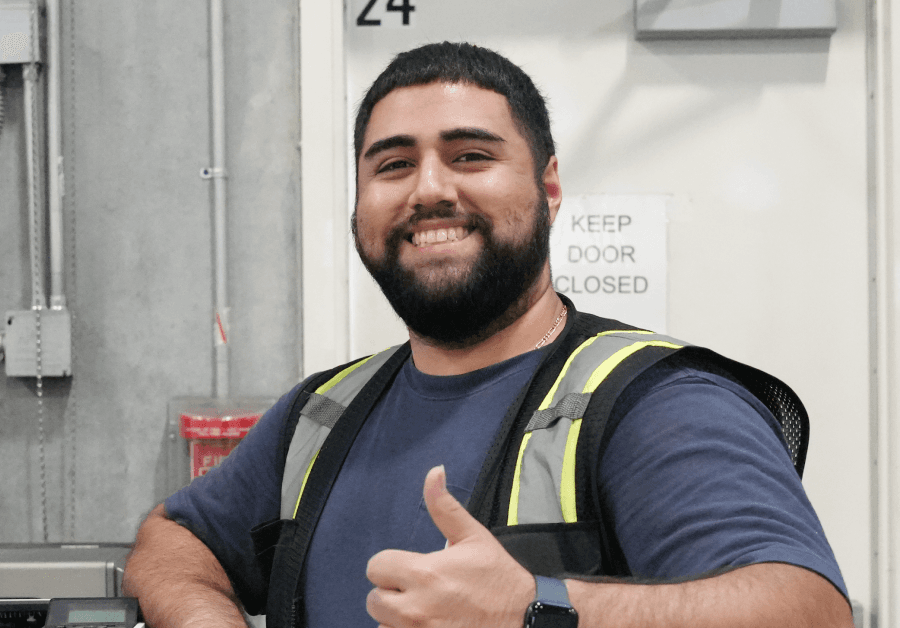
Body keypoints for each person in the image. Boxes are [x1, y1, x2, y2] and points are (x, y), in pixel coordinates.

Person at [123, 42, 852, 628]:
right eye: (393, 164)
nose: (430, 188)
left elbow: (809, 611)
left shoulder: (656, 403)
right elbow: (172, 539)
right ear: (359, 204)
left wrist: (538, 609)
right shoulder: (320, 413)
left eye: (471, 155)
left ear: (549, 188)